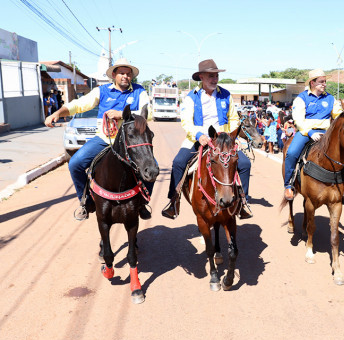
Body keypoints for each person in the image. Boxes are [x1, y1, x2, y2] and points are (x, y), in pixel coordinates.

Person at [44, 58, 152, 220]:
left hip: (130, 142)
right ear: (114, 75)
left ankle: (142, 202)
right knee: (75, 164)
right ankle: (85, 201)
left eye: (128, 74)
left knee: (152, 168)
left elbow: (148, 113)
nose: (125, 76)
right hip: (104, 139)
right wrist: (57, 113)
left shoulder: (139, 92)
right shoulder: (102, 91)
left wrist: (121, 114)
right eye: (121, 73)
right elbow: (79, 105)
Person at [161, 59, 252, 220]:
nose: (214, 79)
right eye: (210, 76)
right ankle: (173, 202)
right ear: (201, 77)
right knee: (178, 163)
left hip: (223, 142)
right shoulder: (191, 97)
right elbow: (186, 122)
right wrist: (199, 135)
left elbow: (234, 119)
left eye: (216, 75)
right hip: (197, 139)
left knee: (245, 164)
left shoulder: (226, 95)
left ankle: (242, 203)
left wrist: (231, 137)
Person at [283, 69, 342, 200]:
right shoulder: (301, 98)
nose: (324, 84)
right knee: (291, 153)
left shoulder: (331, 98)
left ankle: (341, 186)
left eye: (325, 81)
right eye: (321, 82)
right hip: (305, 132)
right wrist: (310, 132)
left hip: (326, 133)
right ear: (312, 83)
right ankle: (288, 185)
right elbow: (298, 119)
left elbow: (338, 116)